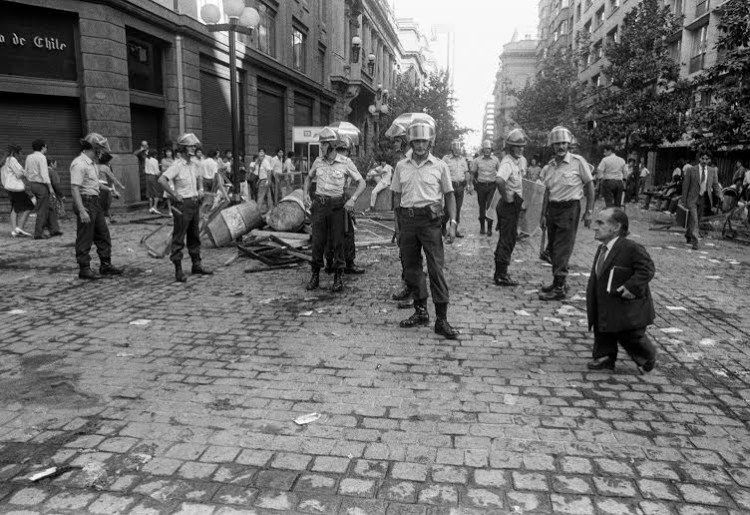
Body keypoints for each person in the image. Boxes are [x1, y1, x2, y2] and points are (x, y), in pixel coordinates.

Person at [391, 117, 459, 339]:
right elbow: (396, 197)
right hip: (408, 221)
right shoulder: (401, 166)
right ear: (410, 142)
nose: (420, 145)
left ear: (430, 142)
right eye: (416, 141)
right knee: (411, 267)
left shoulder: (439, 166)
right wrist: (397, 226)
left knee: (436, 269)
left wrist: (452, 223)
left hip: (431, 223)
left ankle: (442, 319)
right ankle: (420, 311)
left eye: (424, 141)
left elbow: (449, 195)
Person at [586, 208, 657, 373]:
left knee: (630, 334)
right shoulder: (602, 248)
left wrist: (631, 286)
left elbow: (647, 269)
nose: (595, 227)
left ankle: (647, 356)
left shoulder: (631, 247)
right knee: (603, 327)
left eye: (600, 223)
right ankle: (604, 356)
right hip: (605, 302)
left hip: (626, 305)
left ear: (616, 227)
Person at [303, 127, 365, 292]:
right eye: (321, 143)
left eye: (323, 144)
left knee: (338, 242)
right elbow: (308, 178)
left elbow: (362, 182)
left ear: (331, 144)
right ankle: (315, 275)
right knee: (317, 242)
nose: (321, 147)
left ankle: (338, 277)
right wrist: (304, 194)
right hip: (319, 206)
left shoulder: (345, 162)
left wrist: (353, 199)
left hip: (337, 206)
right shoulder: (318, 161)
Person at [538, 126, 595, 301]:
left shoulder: (578, 162)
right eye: (557, 144)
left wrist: (589, 211)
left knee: (563, 248)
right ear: (552, 146)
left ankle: (560, 287)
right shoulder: (549, 167)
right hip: (552, 209)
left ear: (569, 144)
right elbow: (546, 192)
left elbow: (590, 186)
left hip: (570, 209)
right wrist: (542, 214)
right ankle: (557, 281)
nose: (561, 147)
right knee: (554, 248)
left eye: (564, 143)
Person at [159, 133, 213, 282]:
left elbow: (199, 177)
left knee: (194, 235)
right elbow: (162, 180)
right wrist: (174, 194)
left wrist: (201, 188)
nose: (193, 149)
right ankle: (178, 269)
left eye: (194, 146)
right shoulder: (177, 165)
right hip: (183, 204)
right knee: (179, 237)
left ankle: (197, 265)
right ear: (183, 148)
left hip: (194, 202)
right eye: (190, 146)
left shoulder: (195, 164)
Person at [70, 133, 123, 280]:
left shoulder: (92, 163)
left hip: (95, 201)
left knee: (103, 234)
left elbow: (95, 184)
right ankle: (84, 268)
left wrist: (110, 190)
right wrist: (81, 210)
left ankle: (105, 265)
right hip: (86, 201)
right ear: (94, 148)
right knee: (85, 236)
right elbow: (75, 188)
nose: (101, 152)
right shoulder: (79, 163)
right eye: (99, 149)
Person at [493, 129, 528, 286]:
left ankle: (500, 271)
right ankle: (501, 274)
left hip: (513, 205)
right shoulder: (507, 162)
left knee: (508, 238)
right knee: (507, 239)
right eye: (516, 146)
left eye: (521, 146)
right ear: (510, 147)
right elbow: (500, 180)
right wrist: (506, 196)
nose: (520, 149)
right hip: (509, 205)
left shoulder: (516, 161)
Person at [681, 150, 722, 250]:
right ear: (699, 159)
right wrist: (684, 200)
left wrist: (720, 195)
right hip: (692, 199)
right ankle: (695, 243)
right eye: (702, 158)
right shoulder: (691, 170)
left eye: (706, 159)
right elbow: (685, 186)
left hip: (704, 199)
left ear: (709, 160)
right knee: (694, 219)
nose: (704, 161)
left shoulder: (712, 171)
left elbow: (715, 185)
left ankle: (688, 234)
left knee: (696, 220)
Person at [24, 139, 60, 239]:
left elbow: (26, 172)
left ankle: (54, 229)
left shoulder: (29, 157)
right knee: (42, 210)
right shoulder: (42, 158)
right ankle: (38, 233)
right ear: (42, 147)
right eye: (45, 146)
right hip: (41, 186)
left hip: (32, 184)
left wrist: (31, 180)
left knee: (49, 207)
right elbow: (44, 174)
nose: (46, 148)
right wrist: (50, 187)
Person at [1, 145, 34, 237]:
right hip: (16, 188)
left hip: (8, 187)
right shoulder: (12, 160)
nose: (21, 155)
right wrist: (25, 172)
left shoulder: (5, 161)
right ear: (17, 153)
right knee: (29, 206)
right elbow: (19, 174)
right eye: (21, 153)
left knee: (14, 208)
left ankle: (14, 230)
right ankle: (20, 228)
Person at [442, 139, 471, 239]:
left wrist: (467, 185)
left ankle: (454, 228)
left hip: (460, 187)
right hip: (450, 187)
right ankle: (442, 226)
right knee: (447, 208)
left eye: (458, 148)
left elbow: (466, 172)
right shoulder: (446, 159)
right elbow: (441, 172)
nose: (457, 150)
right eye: (455, 148)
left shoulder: (463, 159)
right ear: (451, 148)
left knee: (457, 208)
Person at [471, 139, 500, 236]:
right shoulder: (477, 160)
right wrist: (471, 184)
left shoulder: (496, 160)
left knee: (490, 207)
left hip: (492, 186)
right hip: (481, 186)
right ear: (483, 150)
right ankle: (482, 227)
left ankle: (489, 228)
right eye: (485, 149)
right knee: (482, 207)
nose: (487, 150)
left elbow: (500, 173)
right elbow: (472, 173)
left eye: (489, 149)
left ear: (491, 149)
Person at [97, 153, 120, 225]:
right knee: (104, 203)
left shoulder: (107, 166)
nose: (109, 162)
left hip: (106, 185)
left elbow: (111, 178)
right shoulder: (102, 167)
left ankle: (109, 218)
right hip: (103, 186)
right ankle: (105, 219)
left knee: (106, 203)